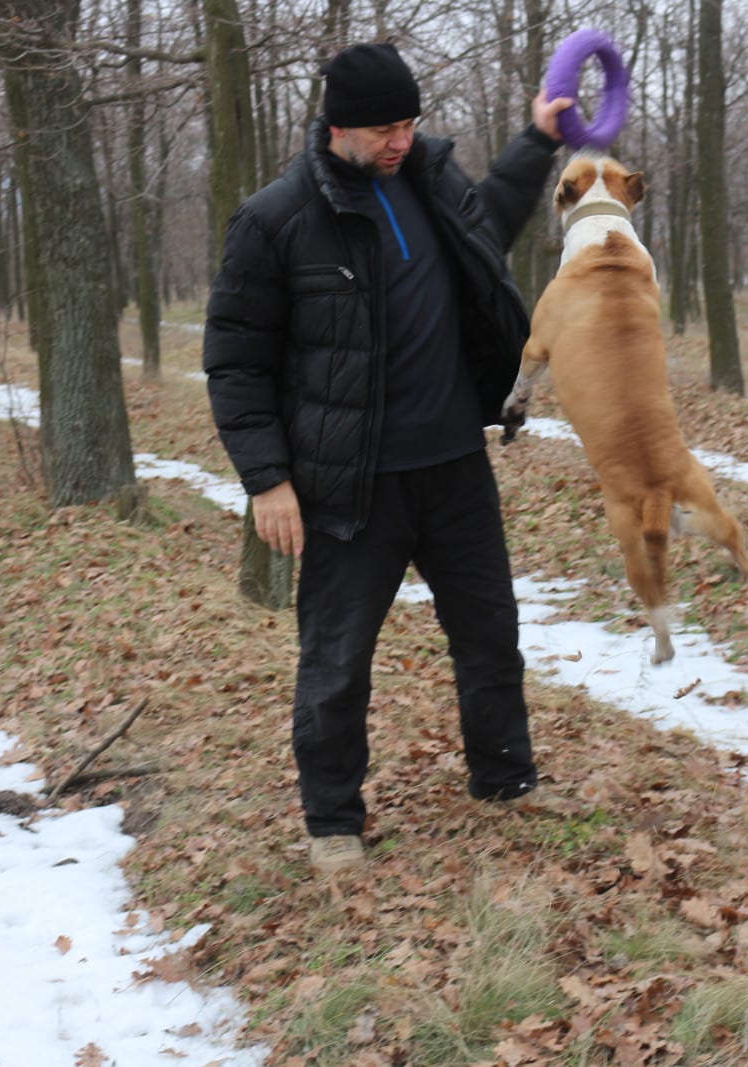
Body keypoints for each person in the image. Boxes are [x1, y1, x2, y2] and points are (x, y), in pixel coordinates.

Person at [203, 41, 573, 875]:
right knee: (337, 658)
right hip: (349, 483)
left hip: (453, 467)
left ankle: (505, 779)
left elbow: (497, 213)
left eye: (410, 122)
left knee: (490, 635)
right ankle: (332, 821)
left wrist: (539, 137)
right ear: (339, 126)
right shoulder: (278, 218)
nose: (401, 138)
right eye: (385, 127)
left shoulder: (431, 183)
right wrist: (267, 478)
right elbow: (235, 358)